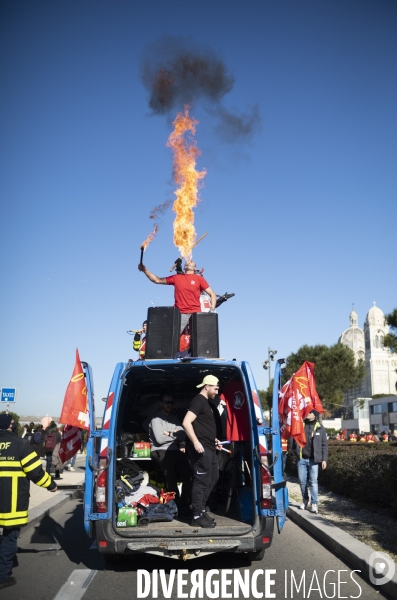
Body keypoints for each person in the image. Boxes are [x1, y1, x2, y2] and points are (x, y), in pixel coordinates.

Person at [0, 414, 57, 589]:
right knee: (9, 537)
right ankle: (2, 577)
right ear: (12, 425)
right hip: (12, 502)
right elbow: (35, 472)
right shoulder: (20, 444)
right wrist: (51, 485)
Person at [182, 375, 222, 528]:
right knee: (202, 481)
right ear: (207, 386)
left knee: (213, 477)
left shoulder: (206, 403)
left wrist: (215, 440)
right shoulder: (198, 401)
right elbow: (186, 422)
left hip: (210, 447)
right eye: (215, 388)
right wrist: (196, 442)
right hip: (201, 449)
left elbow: (203, 426)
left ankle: (200, 509)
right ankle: (197, 515)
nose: (217, 392)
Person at [138, 259, 217, 333]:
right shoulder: (176, 278)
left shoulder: (199, 279)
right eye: (187, 262)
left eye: (191, 261)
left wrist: (212, 310)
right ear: (184, 267)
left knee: (201, 338)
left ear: (195, 268)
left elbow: (212, 294)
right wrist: (145, 270)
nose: (188, 262)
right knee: (171, 337)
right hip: (180, 314)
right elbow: (157, 280)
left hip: (196, 313)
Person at [148, 394, 192, 516]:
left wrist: (169, 434)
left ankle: (184, 502)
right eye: (167, 402)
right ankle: (177, 506)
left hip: (174, 450)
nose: (169, 405)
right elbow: (159, 439)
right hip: (160, 450)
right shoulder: (156, 419)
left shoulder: (174, 418)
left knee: (189, 475)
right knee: (171, 477)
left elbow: (183, 435)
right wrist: (175, 435)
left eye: (171, 402)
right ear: (160, 403)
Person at [292, 410, 328, 515]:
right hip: (302, 459)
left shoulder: (320, 427)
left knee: (313, 482)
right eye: (306, 412)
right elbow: (294, 440)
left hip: (314, 460)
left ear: (314, 415)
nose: (307, 414)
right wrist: (295, 452)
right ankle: (305, 499)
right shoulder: (300, 425)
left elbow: (324, 444)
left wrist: (324, 459)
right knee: (302, 481)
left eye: (310, 412)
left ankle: (314, 503)